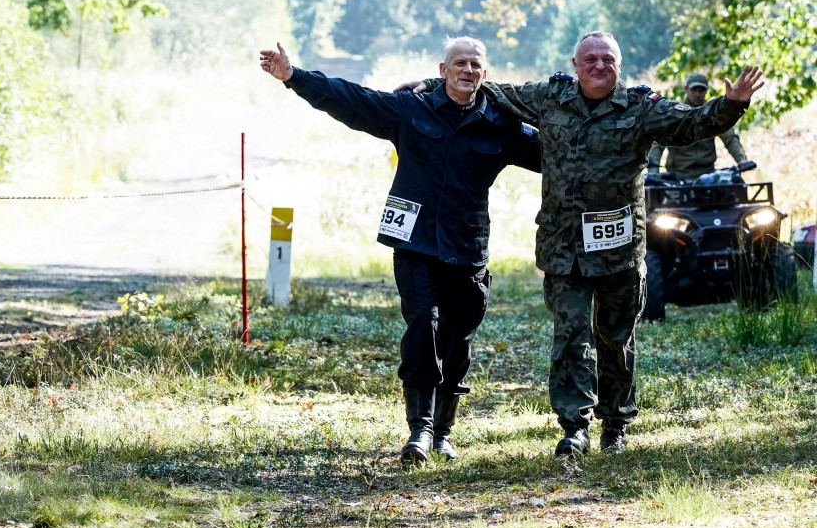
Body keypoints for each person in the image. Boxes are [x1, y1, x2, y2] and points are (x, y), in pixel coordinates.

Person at [408, 31, 764, 456]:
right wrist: (431, 84)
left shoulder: (641, 107)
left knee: (615, 338)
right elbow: (489, 89)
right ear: (575, 65)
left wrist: (733, 103)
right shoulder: (550, 98)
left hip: (619, 250)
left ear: (619, 66)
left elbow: (692, 125)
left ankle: (614, 423)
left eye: (607, 60)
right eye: (590, 59)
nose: (599, 66)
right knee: (570, 335)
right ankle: (574, 426)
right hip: (564, 249)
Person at [259, 38, 541, 464]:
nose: (468, 71)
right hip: (415, 243)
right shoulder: (412, 109)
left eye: (476, 65)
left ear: (485, 73)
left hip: (467, 247)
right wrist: (294, 76)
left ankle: (444, 432)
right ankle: (420, 432)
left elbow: (558, 154)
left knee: (457, 339)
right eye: (459, 64)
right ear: (442, 70)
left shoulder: (499, 123)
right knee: (423, 327)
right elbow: (352, 99)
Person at [646, 72, 752, 180]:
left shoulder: (713, 115)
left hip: (707, 175)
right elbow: (657, 144)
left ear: (706, 91)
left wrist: (742, 160)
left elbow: (730, 137)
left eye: (701, 90)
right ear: (686, 89)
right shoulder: (676, 114)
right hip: (678, 176)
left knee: (737, 184)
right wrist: (653, 171)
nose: (698, 94)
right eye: (694, 89)